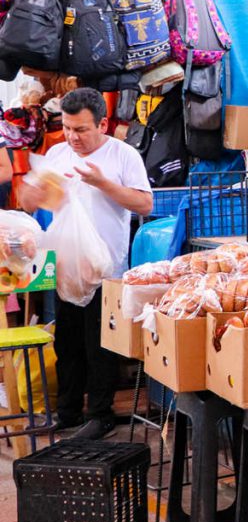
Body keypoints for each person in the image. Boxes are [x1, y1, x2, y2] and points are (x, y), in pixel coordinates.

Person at [20, 88, 152, 440]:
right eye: (67, 128)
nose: (72, 137)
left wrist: (103, 183)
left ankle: (100, 414)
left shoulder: (123, 155)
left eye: (80, 130)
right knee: (67, 343)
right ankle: (67, 412)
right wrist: (32, 195)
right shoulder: (57, 153)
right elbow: (29, 201)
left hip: (107, 269)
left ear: (103, 124)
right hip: (65, 268)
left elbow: (144, 205)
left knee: (100, 346)